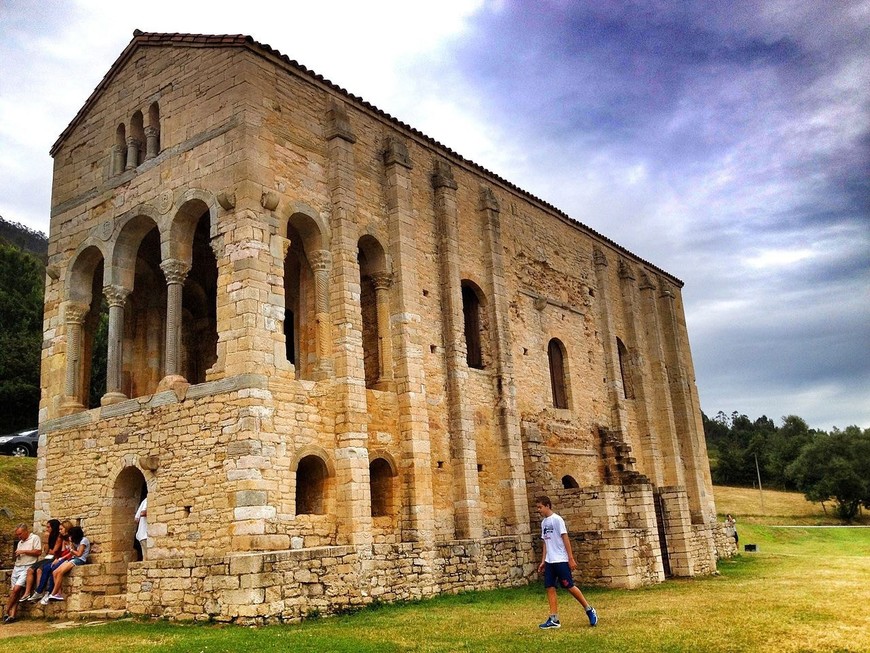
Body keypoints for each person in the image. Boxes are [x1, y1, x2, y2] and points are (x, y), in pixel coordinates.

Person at [535, 496, 597, 629]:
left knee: (569, 586)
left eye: (540, 507)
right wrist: (543, 561)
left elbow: (565, 538)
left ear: (547, 506)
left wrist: (570, 558)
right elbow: (545, 542)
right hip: (550, 561)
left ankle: (589, 609)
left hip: (560, 559)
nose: (538, 510)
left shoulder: (557, 520)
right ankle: (554, 619)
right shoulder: (544, 523)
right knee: (550, 587)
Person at [3, 524, 41, 624]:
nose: (19, 536)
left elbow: (38, 552)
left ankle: (7, 610)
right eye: (17, 534)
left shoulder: (34, 538)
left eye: (20, 534)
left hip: (27, 566)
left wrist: (23, 551)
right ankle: (12, 615)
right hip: (18, 567)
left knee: (16, 589)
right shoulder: (20, 542)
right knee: (14, 592)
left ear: (25, 531)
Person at [42, 525, 90, 604]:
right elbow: (73, 551)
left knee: (60, 572)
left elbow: (79, 554)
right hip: (74, 558)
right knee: (55, 572)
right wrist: (71, 544)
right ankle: (58, 593)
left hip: (80, 560)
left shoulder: (84, 540)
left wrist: (71, 549)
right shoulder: (75, 542)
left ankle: (53, 593)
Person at [19, 519, 61, 602]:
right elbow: (46, 551)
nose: (47, 529)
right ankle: (27, 593)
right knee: (30, 570)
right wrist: (46, 540)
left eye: (48, 527)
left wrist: (50, 550)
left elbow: (54, 551)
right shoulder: (50, 536)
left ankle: (39, 591)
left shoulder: (59, 537)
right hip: (48, 557)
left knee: (39, 570)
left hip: (55, 557)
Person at [134, 496, 148, 560]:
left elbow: (136, 519)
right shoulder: (148, 500)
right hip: (145, 535)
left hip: (142, 535)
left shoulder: (144, 500)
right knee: (147, 558)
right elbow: (143, 513)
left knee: (145, 558)